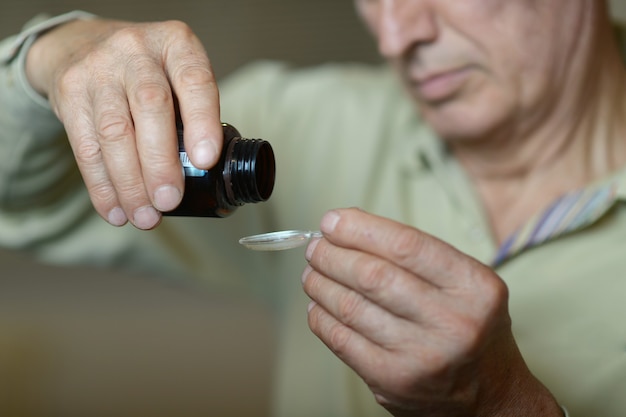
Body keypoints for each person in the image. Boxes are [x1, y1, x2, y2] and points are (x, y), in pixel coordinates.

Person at [1, 1, 625, 416]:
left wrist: (506, 405)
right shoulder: (316, 122)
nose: (394, 35)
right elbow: (24, 193)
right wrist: (54, 54)